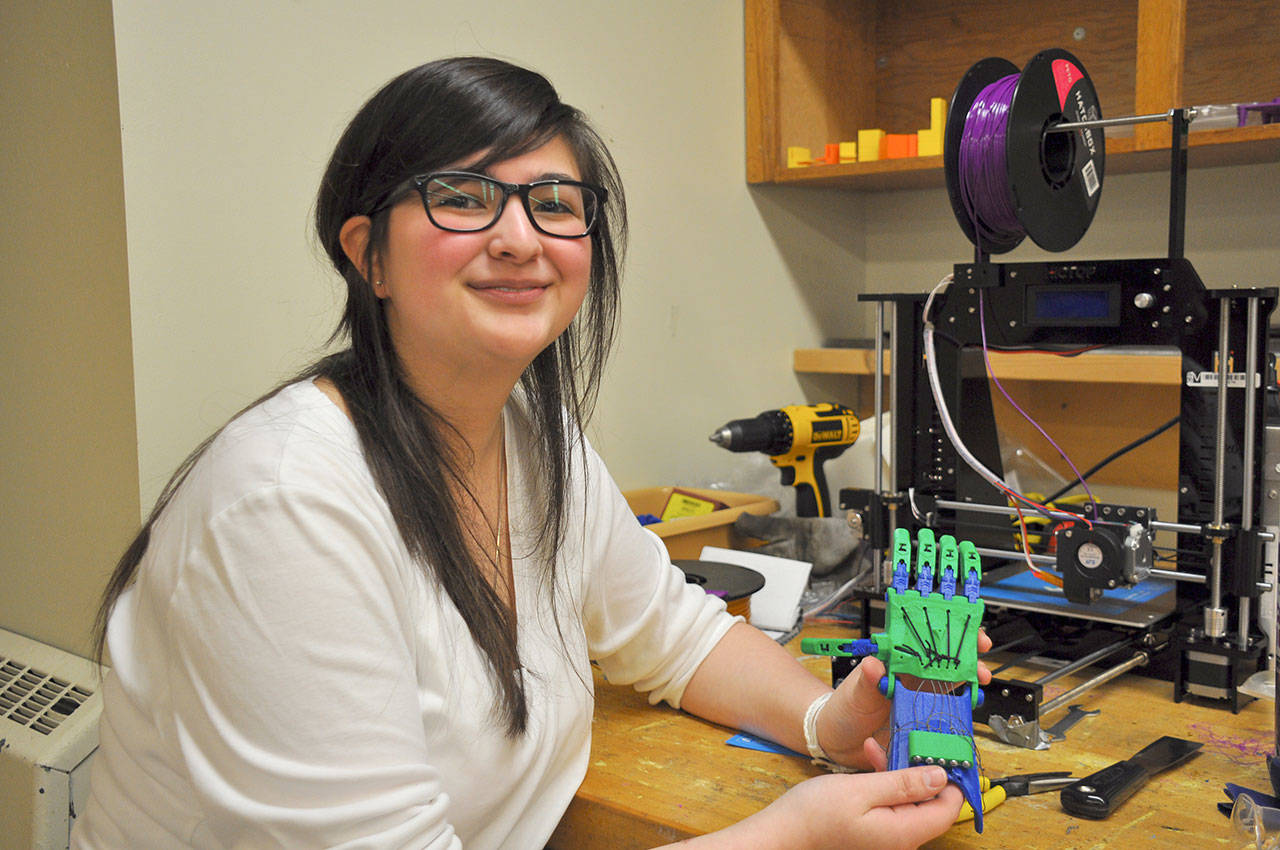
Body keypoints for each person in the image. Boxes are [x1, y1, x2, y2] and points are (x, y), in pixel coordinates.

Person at [73, 57, 987, 850]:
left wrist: (829, 719)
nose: (520, 239)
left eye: (554, 205)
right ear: (370, 258)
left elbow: (674, 636)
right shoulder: (284, 508)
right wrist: (788, 837)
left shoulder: (534, 442)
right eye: (462, 198)